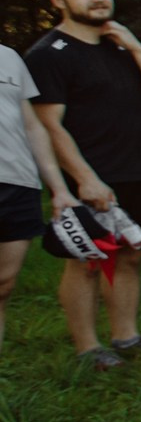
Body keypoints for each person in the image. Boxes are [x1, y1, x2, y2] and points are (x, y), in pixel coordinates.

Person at [27, 0, 141, 368]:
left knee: (132, 254)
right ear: (58, 2)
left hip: (136, 169)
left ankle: (126, 336)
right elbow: (49, 126)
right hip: (88, 175)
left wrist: (133, 45)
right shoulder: (48, 55)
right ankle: (87, 348)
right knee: (87, 262)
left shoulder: (119, 47)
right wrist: (84, 179)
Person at [0, 38, 71, 349]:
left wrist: (58, 188)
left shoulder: (9, 57)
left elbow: (32, 126)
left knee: (4, 285)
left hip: (17, 183)